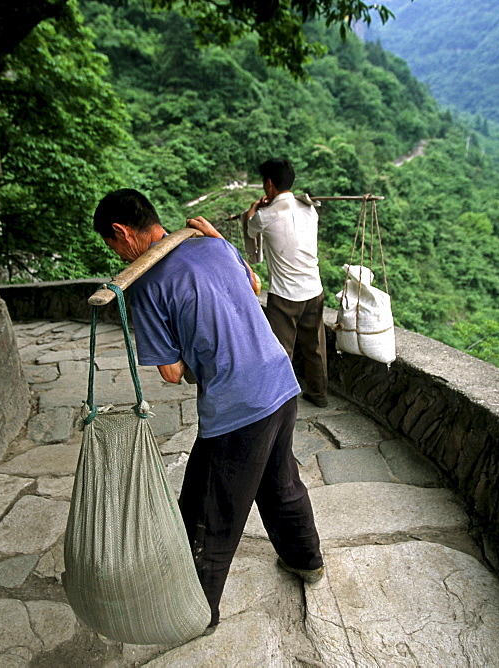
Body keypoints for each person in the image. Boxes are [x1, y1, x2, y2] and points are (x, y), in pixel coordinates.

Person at [92, 188, 324, 633]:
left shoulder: (148, 284)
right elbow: (252, 285)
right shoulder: (214, 244)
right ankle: (306, 561)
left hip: (239, 406)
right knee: (279, 482)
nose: (114, 251)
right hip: (279, 381)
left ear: (121, 234)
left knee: (207, 514)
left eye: (111, 243)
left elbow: (172, 372)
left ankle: (195, 614)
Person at [244, 158, 328, 407]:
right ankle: (319, 394)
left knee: (281, 352)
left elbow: (250, 229)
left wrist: (253, 209)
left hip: (285, 297)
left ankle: (279, 402)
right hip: (314, 290)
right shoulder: (310, 209)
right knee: (315, 347)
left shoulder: (265, 216)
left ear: (269, 184)